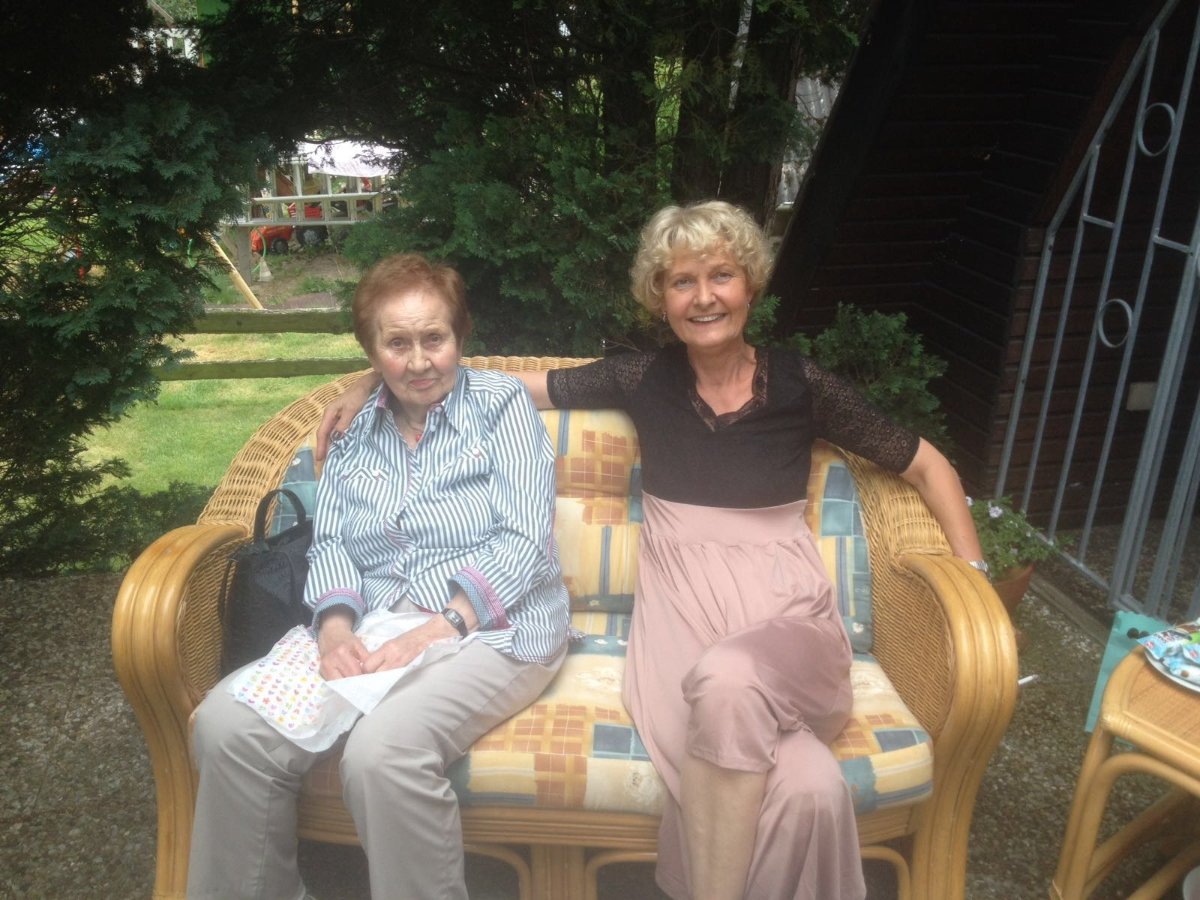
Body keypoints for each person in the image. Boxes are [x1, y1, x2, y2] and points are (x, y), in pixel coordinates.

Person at [317, 202, 986, 900]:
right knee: (811, 786)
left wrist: (975, 580)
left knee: (730, 678)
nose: (704, 297)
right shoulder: (643, 378)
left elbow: (928, 465)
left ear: (750, 284)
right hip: (681, 625)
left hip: (787, 622)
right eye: (682, 281)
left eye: (720, 276)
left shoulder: (801, 384)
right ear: (660, 298)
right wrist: (374, 380)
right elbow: (486, 378)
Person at [188, 253, 570, 900]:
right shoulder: (354, 430)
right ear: (371, 352)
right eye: (397, 344)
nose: (419, 361)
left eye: (434, 338)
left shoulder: (500, 406)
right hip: (376, 623)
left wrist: (436, 630)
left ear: (460, 337)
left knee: (383, 754)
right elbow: (333, 541)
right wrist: (335, 630)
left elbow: (524, 539)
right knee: (226, 727)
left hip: (496, 627)